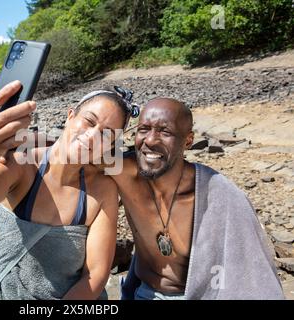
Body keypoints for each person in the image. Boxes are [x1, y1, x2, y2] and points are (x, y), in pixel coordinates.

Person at [0, 78, 139, 300]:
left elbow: (95, 275)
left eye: (106, 135)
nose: (92, 137)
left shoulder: (102, 190)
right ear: (70, 115)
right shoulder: (25, 163)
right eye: (89, 122)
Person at [109, 97, 285, 300]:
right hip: (143, 292)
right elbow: (81, 152)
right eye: (143, 129)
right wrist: (119, 107)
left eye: (165, 132)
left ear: (188, 141)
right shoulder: (125, 174)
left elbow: (251, 274)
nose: (150, 140)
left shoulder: (218, 194)